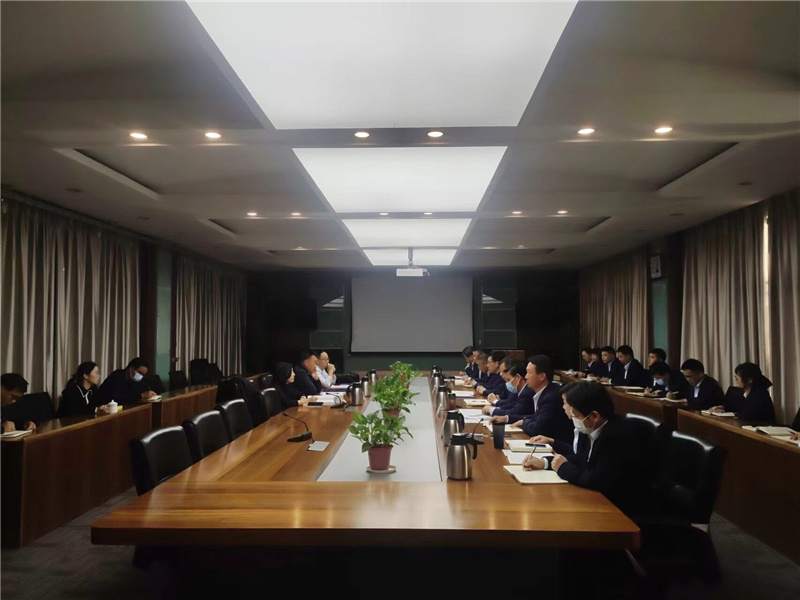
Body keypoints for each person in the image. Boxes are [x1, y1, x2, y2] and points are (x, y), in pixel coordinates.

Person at [523, 381, 647, 516]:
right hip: (598, 501)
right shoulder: (589, 429)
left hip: (623, 509)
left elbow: (600, 481)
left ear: (594, 416)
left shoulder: (619, 436)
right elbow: (580, 460)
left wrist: (563, 468)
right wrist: (547, 462)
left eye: (576, 415)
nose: (573, 418)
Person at [490, 355, 573, 443]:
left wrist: (524, 422)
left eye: (529, 372)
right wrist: (507, 418)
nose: (526, 377)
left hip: (558, 447)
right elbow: (534, 416)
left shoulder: (551, 397)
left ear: (542, 376)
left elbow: (537, 429)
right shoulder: (544, 392)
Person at [709, 362, 776, 423]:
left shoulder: (759, 395)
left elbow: (746, 415)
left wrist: (735, 414)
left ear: (749, 380)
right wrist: (723, 408)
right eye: (735, 377)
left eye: (738, 377)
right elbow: (738, 407)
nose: (736, 379)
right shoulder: (745, 393)